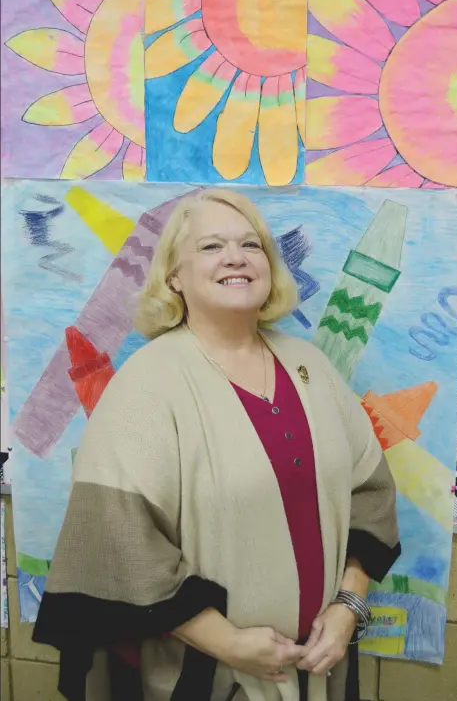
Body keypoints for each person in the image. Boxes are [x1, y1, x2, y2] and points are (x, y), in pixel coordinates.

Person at [33, 188, 401, 701]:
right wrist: (227, 642)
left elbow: (371, 494)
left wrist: (348, 607)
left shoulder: (311, 367)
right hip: (207, 679)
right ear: (174, 276)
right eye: (210, 247)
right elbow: (117, 539)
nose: (236, 257)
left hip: (320, 671)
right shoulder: (148, 383)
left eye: (251, 245)